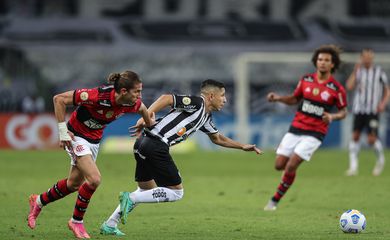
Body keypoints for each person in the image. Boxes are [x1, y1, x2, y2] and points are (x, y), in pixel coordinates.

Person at [99, 79, 262, 236]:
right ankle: (131, 197)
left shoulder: (205, 117)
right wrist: (146, 116)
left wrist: (242, 146)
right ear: (211, 96)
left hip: (143, 143)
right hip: (156, 145)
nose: (225, 100)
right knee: (176, 193)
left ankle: (110, 224)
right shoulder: (198, 103)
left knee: (145, 190)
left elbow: (218, 138)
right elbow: (166, 98)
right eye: (222, 95)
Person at [27, 70, 154, 239]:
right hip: (76, 136)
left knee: (73, 184)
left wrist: (145, 124)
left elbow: (144, 109)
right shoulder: (96, 96)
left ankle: (38, 201)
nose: (139, 95)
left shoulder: (132, 103)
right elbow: (59, 99)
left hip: (93, 141)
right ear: (124, 91)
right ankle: (76, 221)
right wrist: (63, 131)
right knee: (94, 179)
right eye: (137, 91)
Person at [263, 45, 348, 211]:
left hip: (315, 133)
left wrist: (332, 116)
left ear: (332, 64)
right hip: (296, 127)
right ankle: (287, 176)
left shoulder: (337, 89)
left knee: (291, 165)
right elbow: (295, 99)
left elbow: (344, 112)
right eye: (320, 59)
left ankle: (274, 201)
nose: (322, 62)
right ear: (316, 62)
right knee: (279, 165)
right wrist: (278, 98)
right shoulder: (306, 80)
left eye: (327, 60)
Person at [345, 48, 389, 176]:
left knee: (371, 139)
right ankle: (353, 168)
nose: (367, 59)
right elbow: (349, 86)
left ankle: (380, 161)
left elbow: (387, 90)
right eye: (365, 57)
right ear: (361, 58)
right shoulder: (358, 72)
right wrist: (354, 71)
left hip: (373, 110)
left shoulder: (379, 72)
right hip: (359, 109)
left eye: (370, 57)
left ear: (372, 58)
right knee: (355, 136)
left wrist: (383, 103)